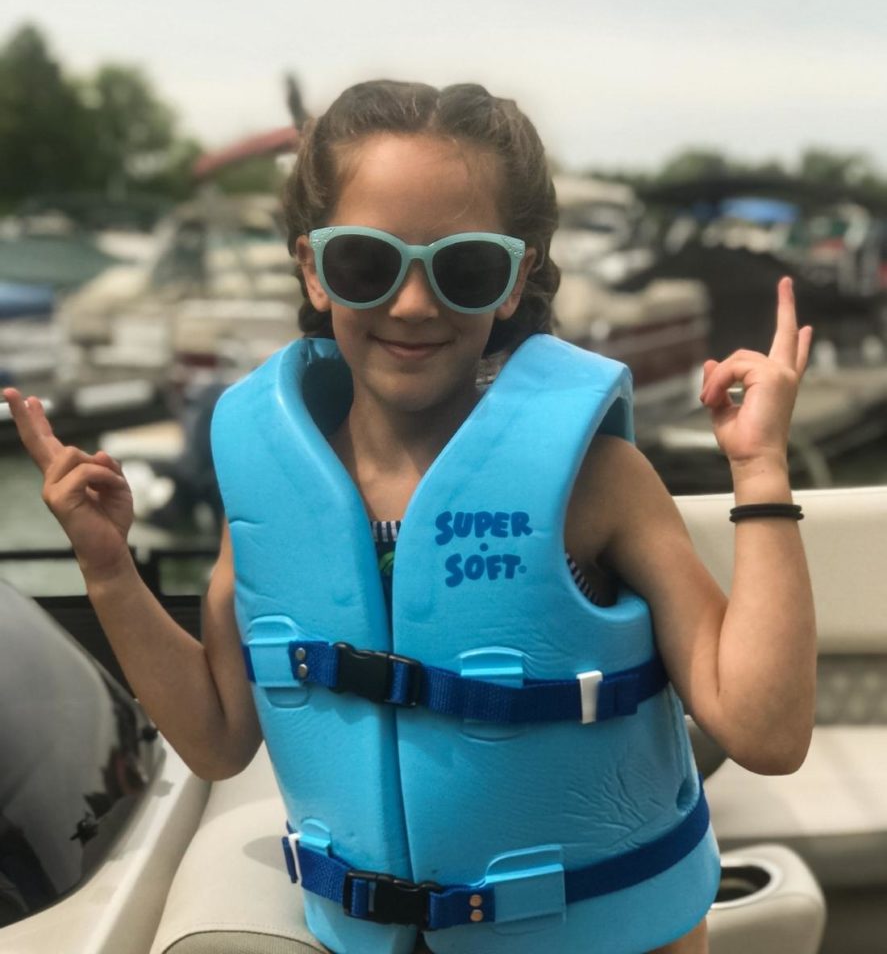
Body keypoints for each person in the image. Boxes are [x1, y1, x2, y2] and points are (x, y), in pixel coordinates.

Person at [2, 80, 816, 954]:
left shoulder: (596, 479)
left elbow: (763, 732)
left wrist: (758, 466)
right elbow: (214, 738)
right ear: (313, 267)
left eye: (463, 268)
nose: (414, 304)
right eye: (367, 263)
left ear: (516, 280)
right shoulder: (279, 493)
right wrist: (109, 570)